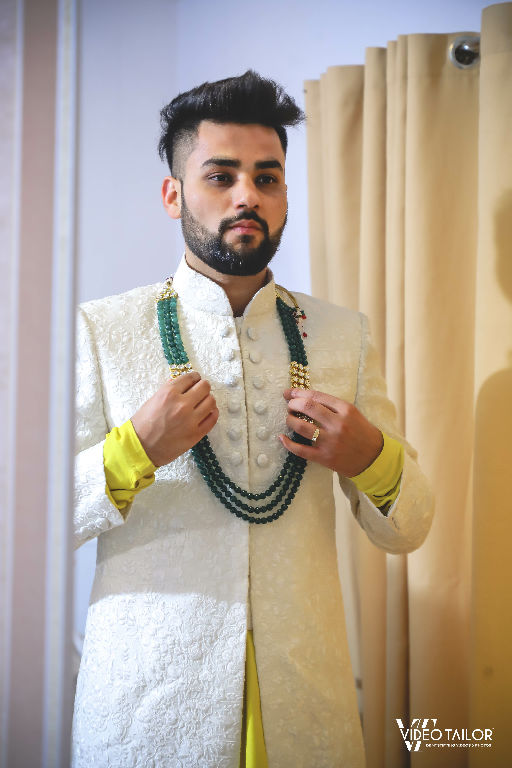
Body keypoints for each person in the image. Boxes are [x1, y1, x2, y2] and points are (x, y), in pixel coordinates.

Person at [72, 70, 434, 768]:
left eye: (268, 178)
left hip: (307, 713)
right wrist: (134, 451)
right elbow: (26, 524)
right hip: (148, 718)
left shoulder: (341, 337)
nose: (248, 196)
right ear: (173, 194)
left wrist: (370, 455)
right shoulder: (101, 330)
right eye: (221, 176)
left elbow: (411, 525)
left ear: (286, 195)